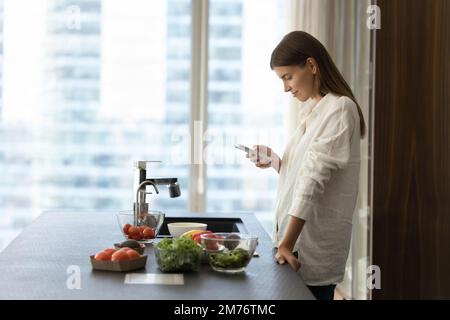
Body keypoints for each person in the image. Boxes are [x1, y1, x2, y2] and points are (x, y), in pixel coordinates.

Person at [246, 31, 365, 300]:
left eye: (288, 77)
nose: (285, 88)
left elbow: (313, 180)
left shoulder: (339, 109)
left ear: (311, 66)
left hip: (309, 250)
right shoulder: (314, 109)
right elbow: (307, 172)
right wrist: (277, 162)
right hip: (293, 246)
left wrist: (286, 244)